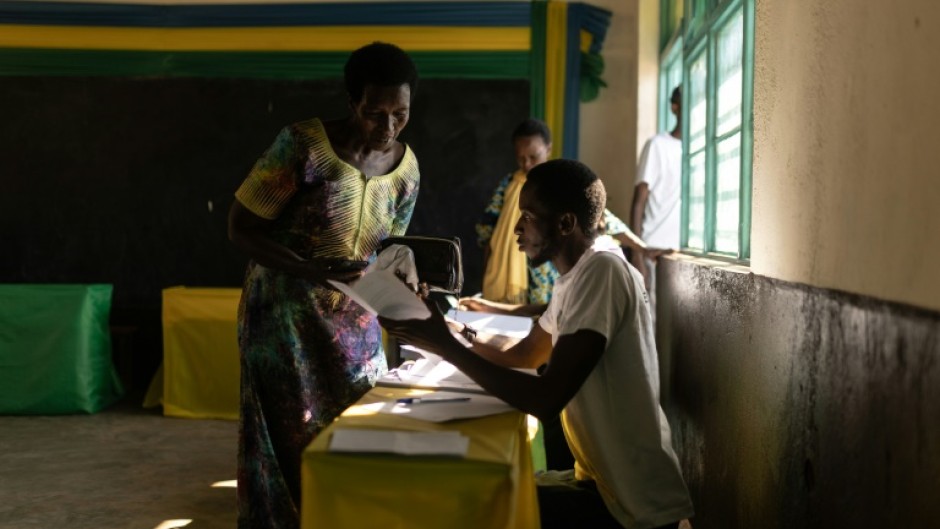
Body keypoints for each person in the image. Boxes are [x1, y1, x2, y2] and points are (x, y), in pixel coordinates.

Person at [382, 159, 694, 529]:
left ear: (565, 223)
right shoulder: (574, 278)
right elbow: (527, 354)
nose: (517, 228)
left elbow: (546, 399)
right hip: (604, 485)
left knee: (474, 505)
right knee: (485, 489)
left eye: (528, 217)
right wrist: (450, 332)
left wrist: (445, 347)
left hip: (633, 507)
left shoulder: (603, 271)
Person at [227, 42, 419, 529]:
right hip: (282, 319)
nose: (388, 126)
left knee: (357, 426)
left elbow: (390, 249)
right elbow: (241, 229)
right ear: (352, 102)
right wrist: (309, 269)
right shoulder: (303, 146)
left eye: (400, 114)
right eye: (375, 113)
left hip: (355, 323)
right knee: (287, 435)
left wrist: (407, 288)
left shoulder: (407, 169)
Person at [471, 118, 660, 317]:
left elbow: (602, 217)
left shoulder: (560, 184)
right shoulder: (508, 185)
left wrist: (642, 249)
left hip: (546, 278)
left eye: (533, 157)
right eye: (521, 158)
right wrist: (488, 278)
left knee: (553, 317)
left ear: (548, 149)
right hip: (511, 280)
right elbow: (487, 232)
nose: (526, 164)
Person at [631, 87, 683, 312]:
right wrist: (637, 255)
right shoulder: (657, 145)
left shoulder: (700, 148)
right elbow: (638, 201)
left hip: (678, 252)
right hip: (651, 251)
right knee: (649, 322)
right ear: (675, 107)